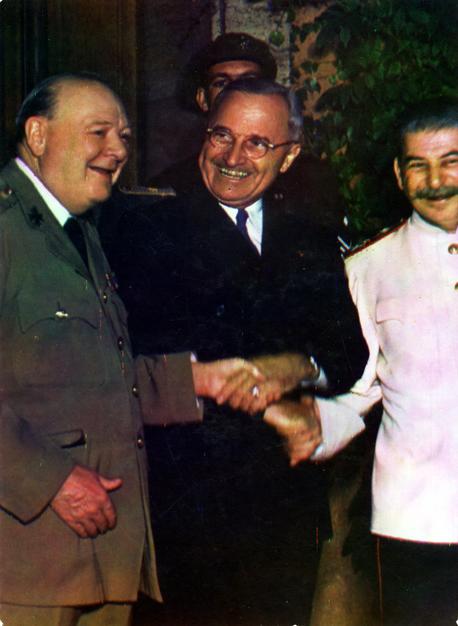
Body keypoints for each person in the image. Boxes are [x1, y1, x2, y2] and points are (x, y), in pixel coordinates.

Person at [0, 72, 275, 626]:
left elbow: (91, 375)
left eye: (124, 136)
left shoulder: (79, 233)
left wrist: (197, 380)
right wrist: (49, 481)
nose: (119, 150)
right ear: (37, 134)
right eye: (99, 132)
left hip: (99, 559)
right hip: (27, 563)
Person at [107, 78, 368, 626]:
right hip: (185, 514)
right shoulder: (144, 228)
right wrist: (272, 398)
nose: (233, 158)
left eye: (257, 143)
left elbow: (348, 351)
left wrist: (297, 367)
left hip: (285, 512)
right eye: (221, 136)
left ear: (290, 155)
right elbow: (163, 360)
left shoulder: (308, 236)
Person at [265, 98, 458, 626]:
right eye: (419, 165)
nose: (436, 180)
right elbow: (359, 387)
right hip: (415, 521)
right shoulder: (368, 268)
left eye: (452, 161)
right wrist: (307, 426)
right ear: (399, 174)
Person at [146, 31, 346, 237]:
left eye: (250, 82)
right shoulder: (170, 189)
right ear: (202, 99)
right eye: (222, 83)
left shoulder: (309, 186)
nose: (236, 92)